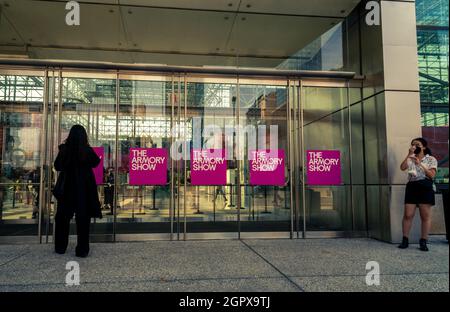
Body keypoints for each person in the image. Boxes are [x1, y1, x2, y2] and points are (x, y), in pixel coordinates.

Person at [54, 125, 102, 257]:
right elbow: (95, 163)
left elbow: (57, 166)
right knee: (83, 220)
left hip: (67, 190)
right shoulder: (86, 150)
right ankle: (82, 250)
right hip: (83, 190)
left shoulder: (64, 149)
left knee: (62, 219)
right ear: (84, 136)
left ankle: (60, 247)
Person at [399, 137, 438, 251]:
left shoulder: (431, 159)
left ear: (424, 147)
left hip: (425, 186)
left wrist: (420, 163)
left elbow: (431, 175)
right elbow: (402, 167)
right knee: (408, 214)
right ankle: (405, 239)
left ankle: (423, 241)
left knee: (425, 216)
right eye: (413, 144)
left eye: (417, 144)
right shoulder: (410, 158)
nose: (415, 146)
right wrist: (409, 154)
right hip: (412, 186)